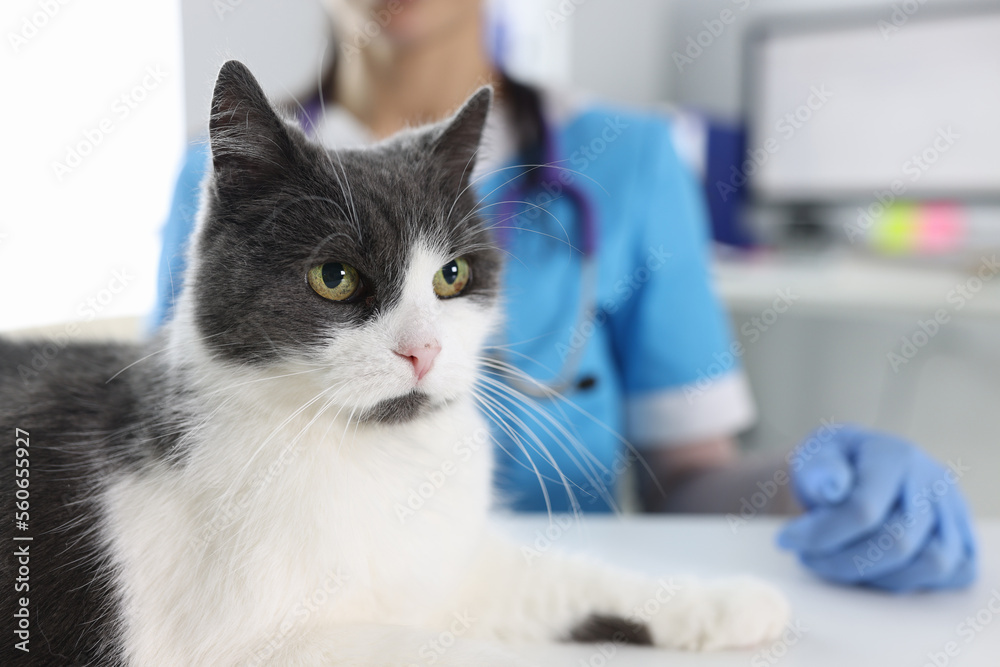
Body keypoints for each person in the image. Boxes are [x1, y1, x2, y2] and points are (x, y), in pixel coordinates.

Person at [152, 0, 975, 593]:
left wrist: (819, 486)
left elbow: (684, 477)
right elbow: (174, 446)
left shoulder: (632, 159)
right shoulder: (225, 176)